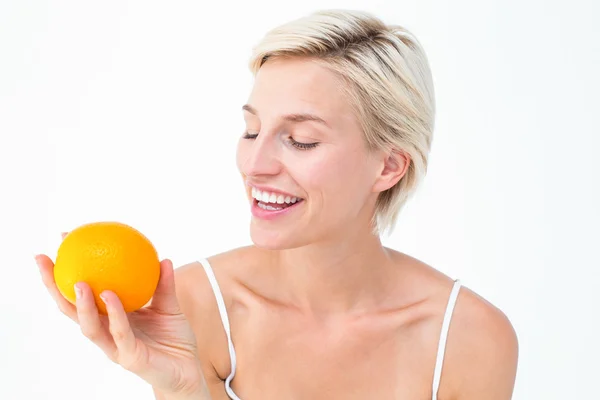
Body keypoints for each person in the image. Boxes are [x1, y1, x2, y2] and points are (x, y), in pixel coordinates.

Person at [35, 9, 519, 400]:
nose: (255, 163)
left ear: (389, 167)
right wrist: (181, 389)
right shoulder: (195, 305)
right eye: (251, 130)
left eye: (301, 140)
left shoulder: (469, 339)